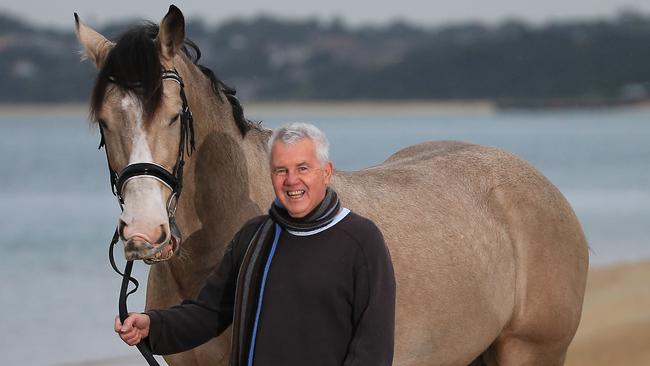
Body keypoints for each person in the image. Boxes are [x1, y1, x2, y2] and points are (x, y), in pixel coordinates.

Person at [115, 122, 396, 366]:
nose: (292, 181)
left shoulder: (361, 240)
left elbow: (373, 347)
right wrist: (153, 327)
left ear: (326, 172)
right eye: (281, 170)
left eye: (303, 168)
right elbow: (210, 313)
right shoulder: (255, 236)